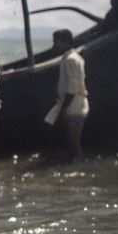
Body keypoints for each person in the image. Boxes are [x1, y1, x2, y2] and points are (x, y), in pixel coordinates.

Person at [45, 29, 88, 160]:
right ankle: (74, 165)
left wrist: (62, 110)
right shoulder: (71, 57)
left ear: (66, 42)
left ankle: (77, 167)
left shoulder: (70, 59)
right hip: (75, 105)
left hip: (74, 107)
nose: (54, 46)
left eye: (56, 42)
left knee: (73, 142)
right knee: (71, 141)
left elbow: (72, 89)